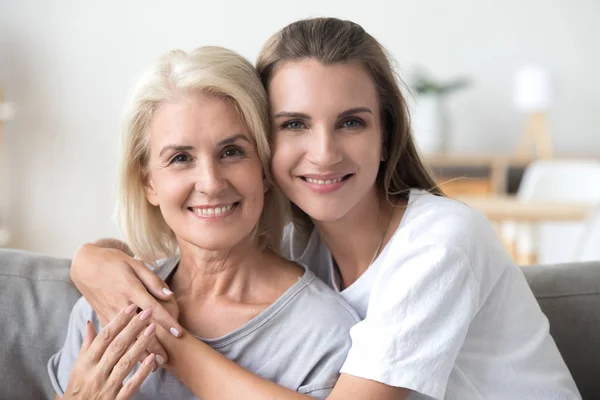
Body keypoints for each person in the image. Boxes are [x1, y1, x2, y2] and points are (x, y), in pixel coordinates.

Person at [69, 18, 581, 400]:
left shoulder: (442, 241)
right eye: (294, 124)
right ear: (265, 144)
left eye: (352, 123)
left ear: (386, 137)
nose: (324, 152)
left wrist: (167, 339)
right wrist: (92, 258)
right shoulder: (300, 245)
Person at [47, 45, 359, 399]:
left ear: (265, 169)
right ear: (148, 182)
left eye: (232, 152)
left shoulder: (324, 335)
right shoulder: (101, 306)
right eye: (181, 158)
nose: (211, 182)